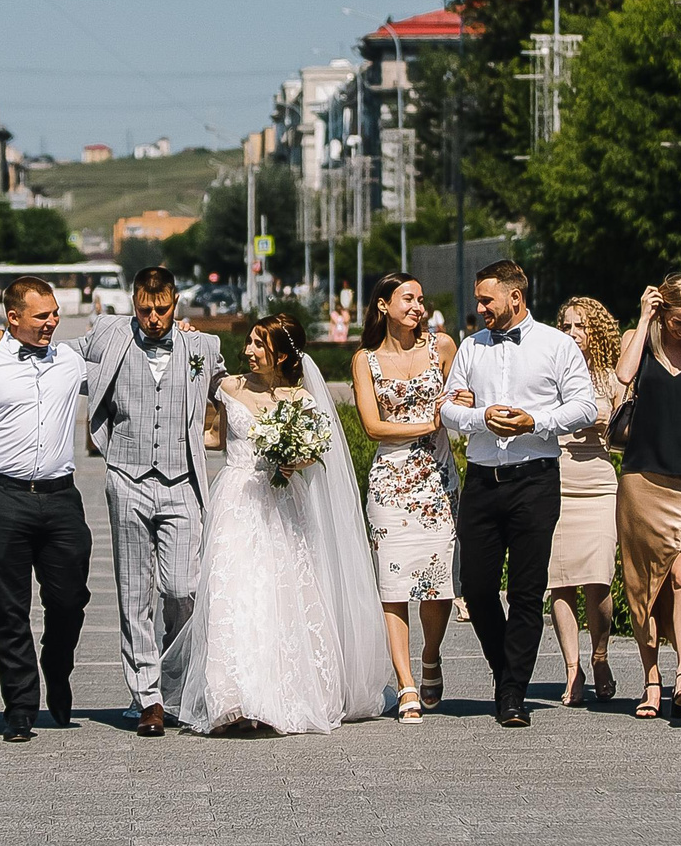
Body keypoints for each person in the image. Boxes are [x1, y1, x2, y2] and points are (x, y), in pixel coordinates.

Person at [165, 313, 392, 733]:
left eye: (258, 344)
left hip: (283, 504)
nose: (248, 351)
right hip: (236, 499)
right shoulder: (230, 387)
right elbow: (214, 436)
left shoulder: (301, 400)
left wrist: (295, 458)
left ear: (282, 354)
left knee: (280, 592)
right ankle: (230, 699)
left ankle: (276, 696)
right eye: (249, 342)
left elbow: (315, 454)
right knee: (232, 591)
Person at [57, 265, 224, 733]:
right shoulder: (109, 335)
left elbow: (235, 386)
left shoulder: (201, 347)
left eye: (163, 309)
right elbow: (55, 354)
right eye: (145, 309)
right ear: (134, 303)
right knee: (134, 593)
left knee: (182, 589)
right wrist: (1, 342)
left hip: (182, 481)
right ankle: (147, 698)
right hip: (126, 477)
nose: (153, 318)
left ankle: (174, 681)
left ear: (176, 304)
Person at [441, 259, 600, 727]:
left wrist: (537, 421)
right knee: (477, 586)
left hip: (535, 478)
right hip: (483, 478)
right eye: (478, 299)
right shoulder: (471, 348)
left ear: (515, 296)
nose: (480, 307)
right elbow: (449, 409)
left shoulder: (556, 345)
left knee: (528, 592)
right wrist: (479, 418)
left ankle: (512, 692)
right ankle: (504, 671)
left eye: (487, 299)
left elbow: (585, 405)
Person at [0, 276, 93, 742]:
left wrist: (185, 337)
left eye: (53, 314)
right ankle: (20, 707)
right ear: (13, 318)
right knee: (10, 609)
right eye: (42, 316)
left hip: (61, 497)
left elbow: (125, 361)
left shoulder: (70, 360)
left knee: (70, 601)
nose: (52, 322)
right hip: (3, 497)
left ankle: (58, 668)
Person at [350, 272, 458, 721]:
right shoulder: (365, 359)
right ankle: (406, 681)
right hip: (391, 484)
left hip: (437, 480)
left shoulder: (443, 347)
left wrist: (459, 406)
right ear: (382, 305)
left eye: (420, 299)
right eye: (407, 298)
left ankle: (430, 654)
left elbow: (460, 401)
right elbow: (373, 427)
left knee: (437, 581)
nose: (417, 306)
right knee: (393, 586)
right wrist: (427, 425)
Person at [611, 275, 681, 718]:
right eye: (677, 322)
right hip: (641, 482)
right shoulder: (641, 340)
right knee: (642, 587)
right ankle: (651, 679)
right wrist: (644, 317)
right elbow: (623, 375)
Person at [549, 297, 626, 707]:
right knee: (560, 580)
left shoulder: (611, 377)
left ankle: (600, 654)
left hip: (598, 482)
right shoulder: (550, 375)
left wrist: (605, 423)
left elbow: (628, 433)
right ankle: (572, 669)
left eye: (580, 326)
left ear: (596, 331)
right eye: (565, 326)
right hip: (557, 481)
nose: (572, 333)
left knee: (599, 578)